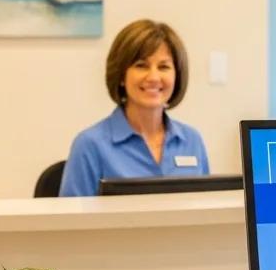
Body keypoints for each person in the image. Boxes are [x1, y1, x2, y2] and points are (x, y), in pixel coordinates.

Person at [59, 19, 209, 196]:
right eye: (141, 65)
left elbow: (205, 216)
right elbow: (73, 222)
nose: (153, 77)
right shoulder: (90, 145)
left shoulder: (192, 141)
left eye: (163, 67)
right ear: (121, 75)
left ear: (177, 76)